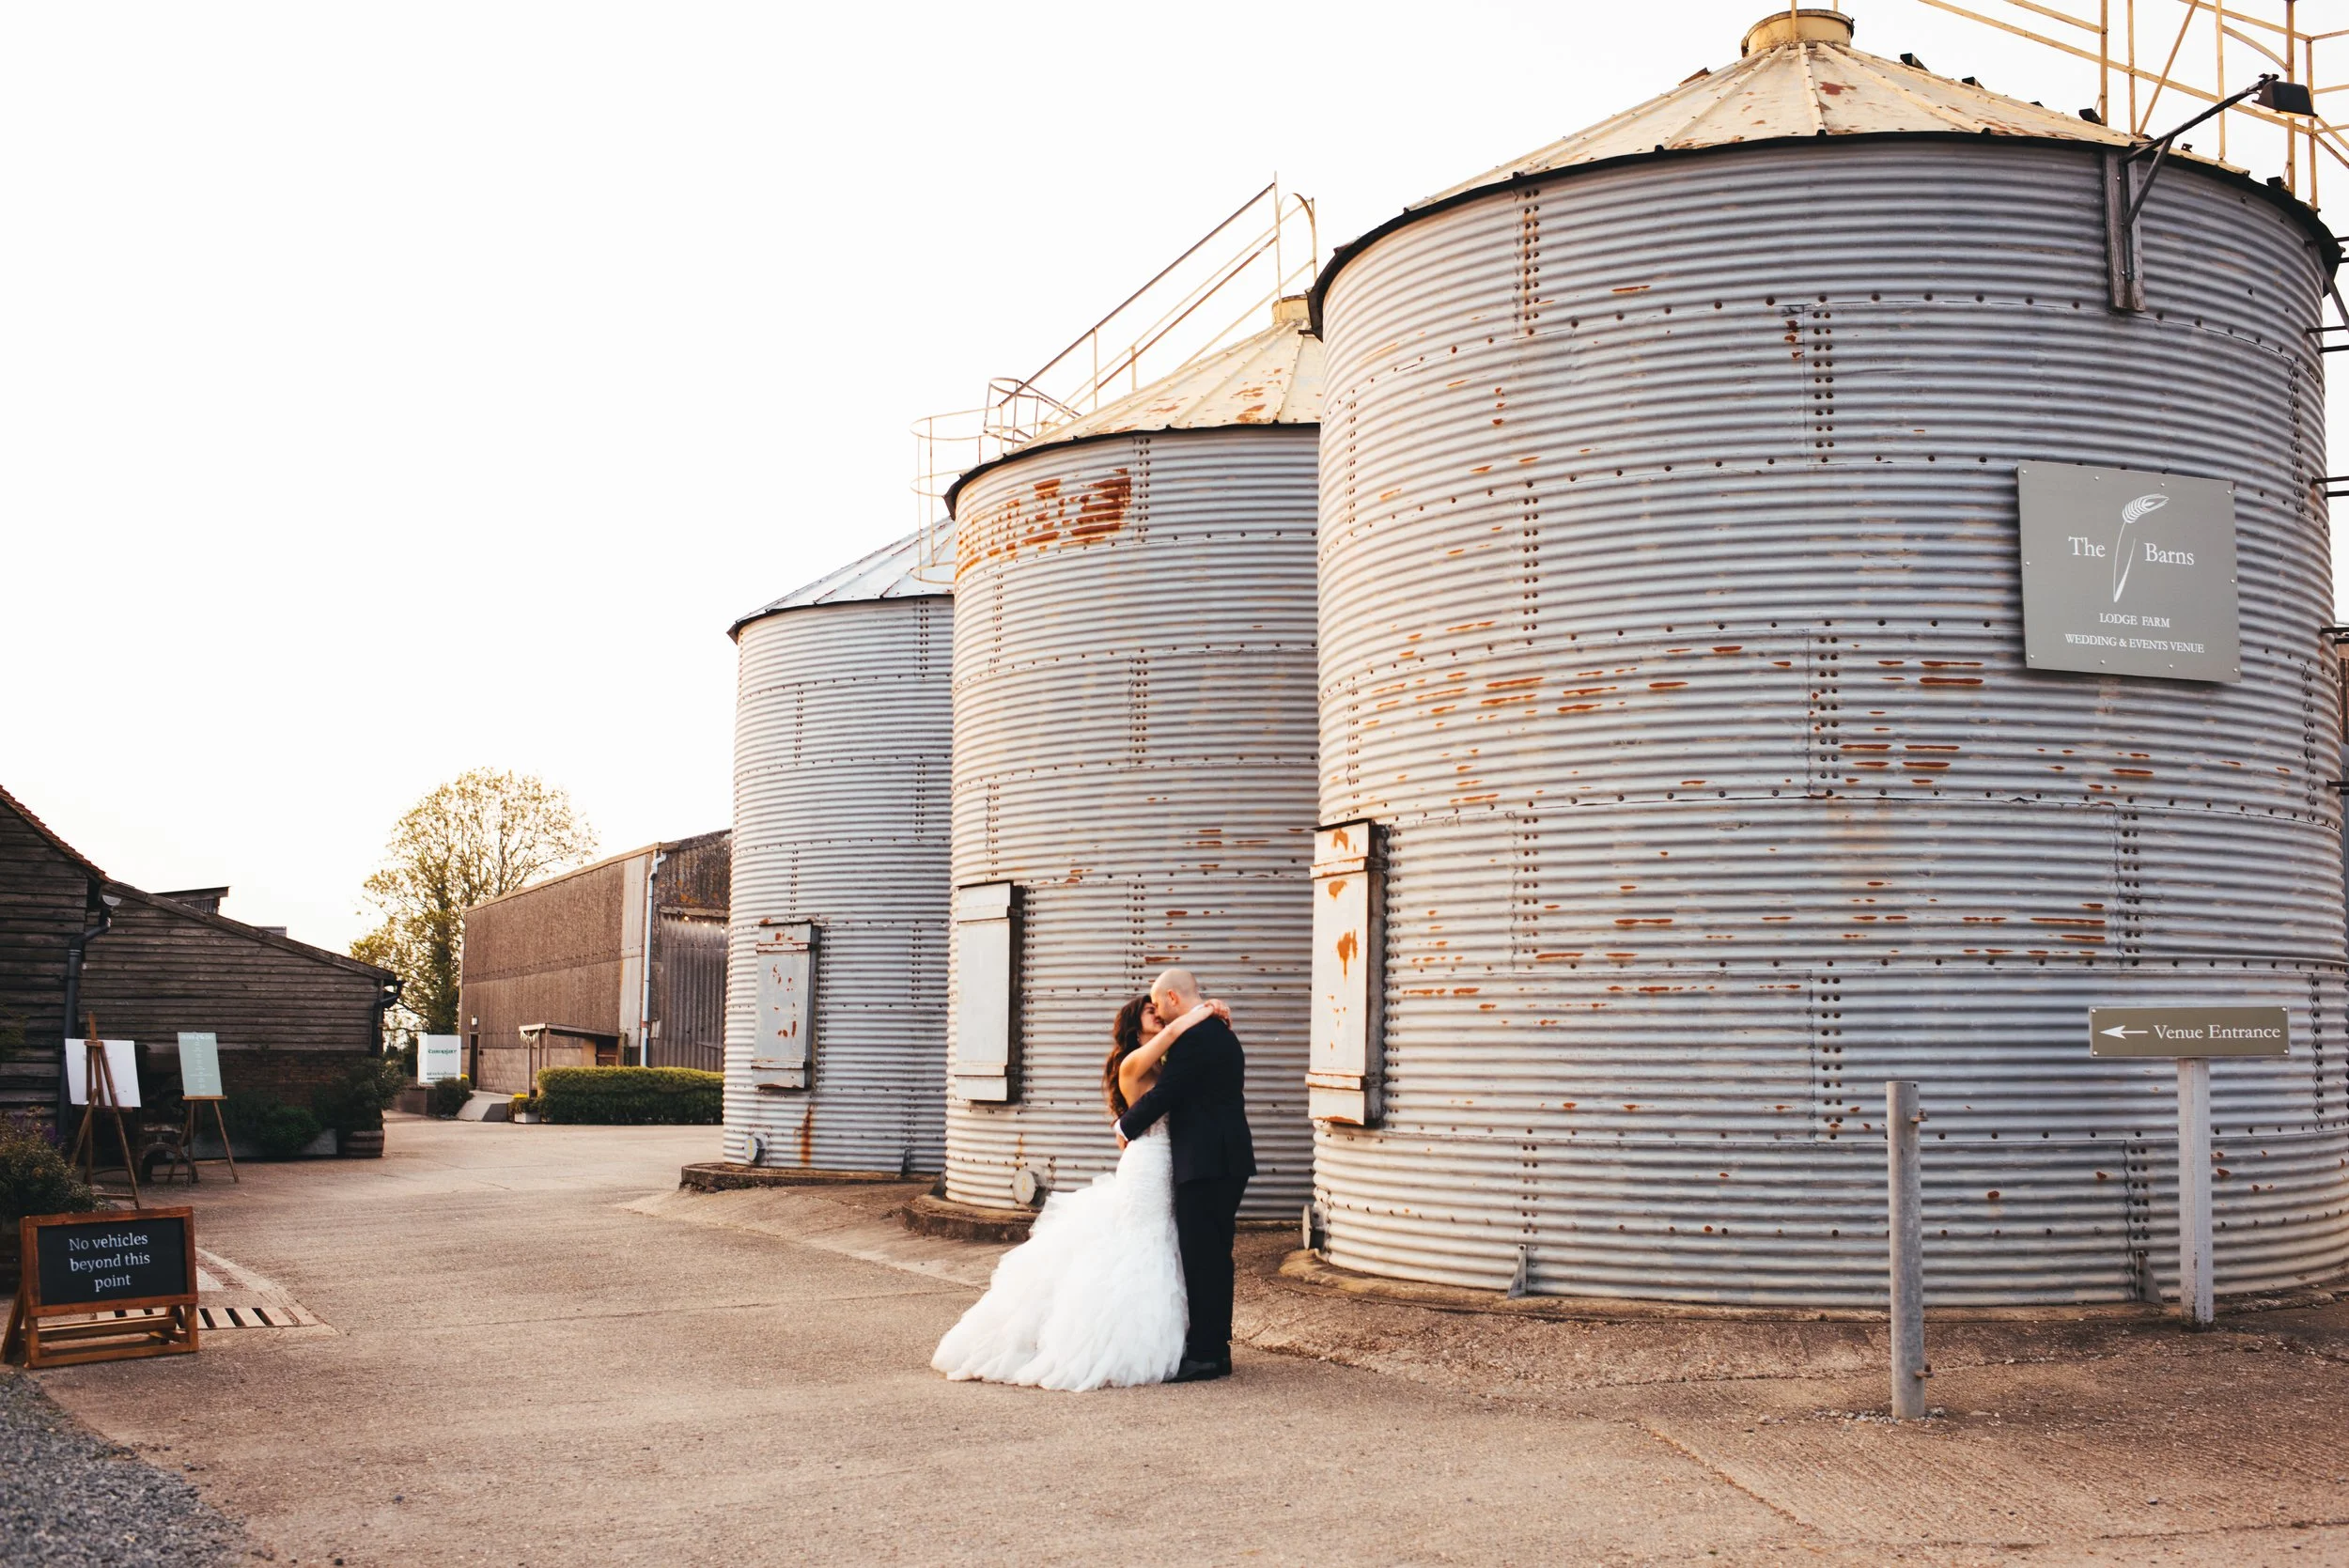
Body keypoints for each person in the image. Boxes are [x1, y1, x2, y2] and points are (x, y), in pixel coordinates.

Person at [930, 989, 1228, 1390]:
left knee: (1161, 1245)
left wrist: (1209, 1018)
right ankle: (1114, 1344)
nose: (1157, 1014)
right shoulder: (1132, 1062)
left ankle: (1180, 1343)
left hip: (1168, 1163)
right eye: (1148, 1011)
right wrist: (1204, 1009)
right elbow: (1173, 1034)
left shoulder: (1163, 1063)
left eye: (1158, 1008)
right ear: (1132, 1025)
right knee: (1139, 1244)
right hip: (1147, 1164)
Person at [1116, 967, 1255, 1383]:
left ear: (1173, 999)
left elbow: (1166, 1093)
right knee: (1213, 1256)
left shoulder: (1195, 1039)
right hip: (1222, 1159)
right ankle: (1216, 1348)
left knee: (1203, 1258)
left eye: (1158, 1004)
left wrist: (1125, 1125)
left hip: (1207, 1162)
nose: (1157, 1012)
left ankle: (1208, 1355)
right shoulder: (1220, 1033)